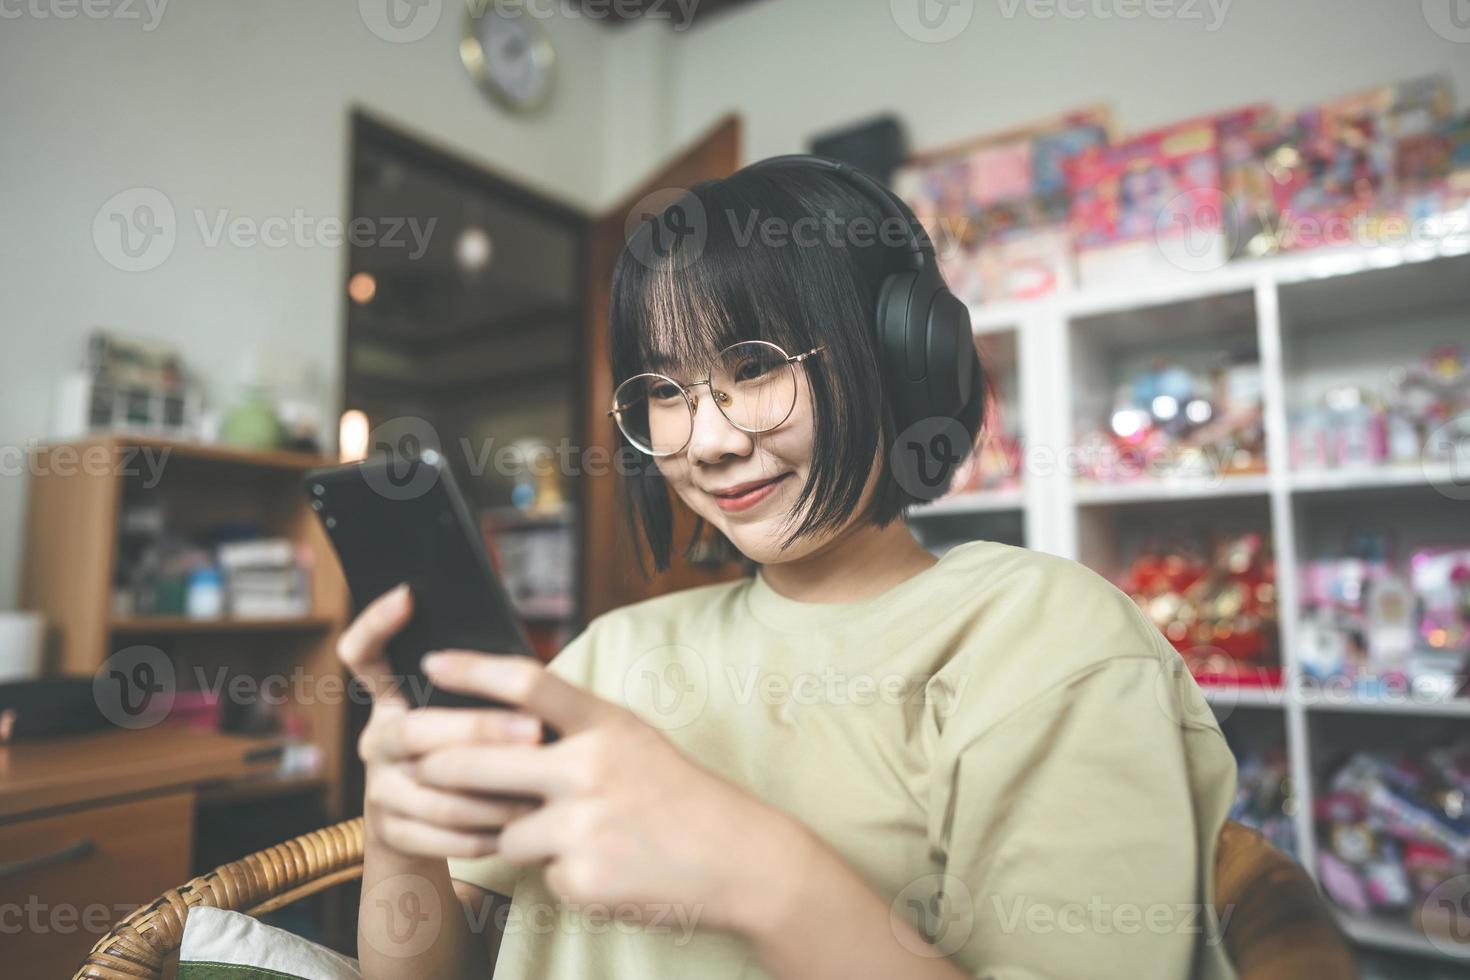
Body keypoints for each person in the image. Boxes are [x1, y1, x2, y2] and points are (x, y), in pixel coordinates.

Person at [341, 157, 1239, 979]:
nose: (711, 441)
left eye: (754, 366)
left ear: (901, 360)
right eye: (663, 392)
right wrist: (395, 815)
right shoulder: (607, 655)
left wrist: (750, 869)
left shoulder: (1045, 637)